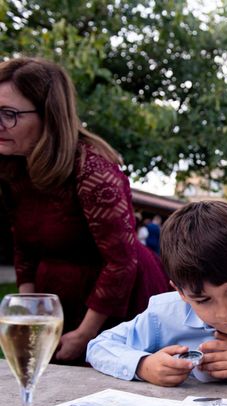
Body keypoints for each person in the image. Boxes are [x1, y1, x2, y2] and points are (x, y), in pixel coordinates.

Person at [0, 57, 171, 364]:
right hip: (56, 301)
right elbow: (23, 246)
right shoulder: (11, 166)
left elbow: (120, 261)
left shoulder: (92, 170)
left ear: (48, 116)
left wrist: (85, 333)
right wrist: (28, 312)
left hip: (116, 305)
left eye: (8, 114)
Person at [87, 201, 227, 388]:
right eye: (203, 300)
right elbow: (98, 346)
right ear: (180, 291)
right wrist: (143, 366)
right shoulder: (161, 316)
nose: (223, 313)